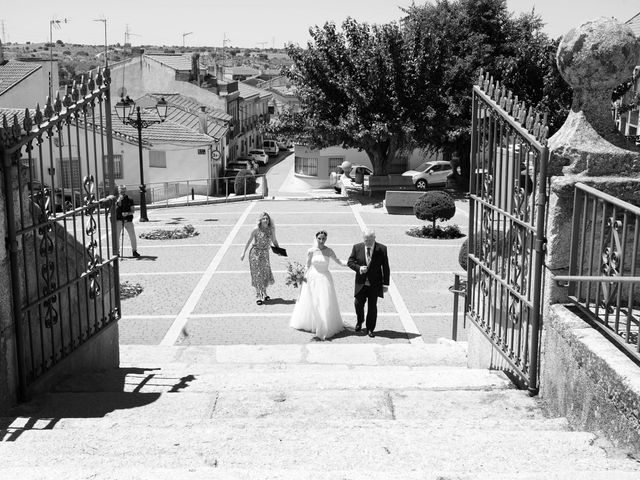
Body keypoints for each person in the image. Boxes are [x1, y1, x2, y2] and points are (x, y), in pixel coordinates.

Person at [289, 230, 347, 340]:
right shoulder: (311, 251)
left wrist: (351, 263)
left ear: (326, 239)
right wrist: (300, 275)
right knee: (312, 301)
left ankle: (324, 325)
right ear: (316, 238)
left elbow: (339, 261)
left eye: (323, 239)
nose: (321, 240)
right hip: (312, 278)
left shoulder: (329, 251)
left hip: (325, 278)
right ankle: (313, 323)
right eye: (319, 238)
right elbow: (307, 265)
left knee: (324, 302)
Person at [347, 229, 390, 338]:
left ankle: (370, 328)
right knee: (358, 304)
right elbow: (350, 262)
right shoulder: (357, 247)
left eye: (371, 240)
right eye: (366, 240)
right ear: (363, 239)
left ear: (374, 238)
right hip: (361, 283)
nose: (368, 242)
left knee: (372, 307)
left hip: (375, 284)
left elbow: (385, 267)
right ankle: (360, 320)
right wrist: (359, 268)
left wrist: (385, 284)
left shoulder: (382, 249)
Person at [241, 212, 280, 304]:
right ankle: (258, 295)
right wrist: (243, 252)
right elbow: (249, 240)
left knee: (265, 273)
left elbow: (274, 240)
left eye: (267, 218)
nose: (265, 220)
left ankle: (265, 293)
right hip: (255, 253)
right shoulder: (256, 229)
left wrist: (278, 250)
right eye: (264, 219)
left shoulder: (271, 229)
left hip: (265, 253)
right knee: (257, 274)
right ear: (260, 220)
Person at [115, 185, 140, 258]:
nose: (122, 191)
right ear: (118, 190)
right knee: (117, 237)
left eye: (123, 190)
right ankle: (117, 252)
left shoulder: (130, 199)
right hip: (119, 220)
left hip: (128, 220)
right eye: (120, 190)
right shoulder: (116, 199)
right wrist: (118, 201)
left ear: (125, 190)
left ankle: (134, 251)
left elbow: (133, 211)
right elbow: (114, 210)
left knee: (132, 236)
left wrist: (127, 213)